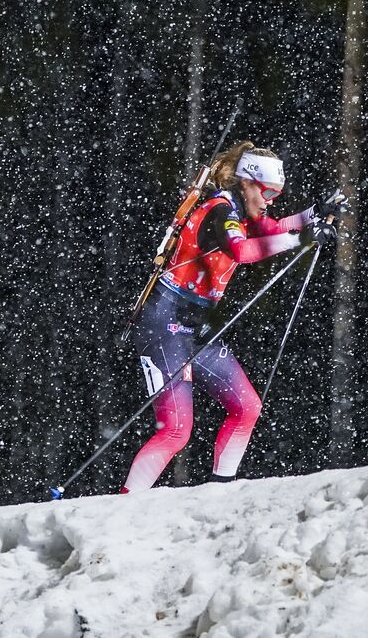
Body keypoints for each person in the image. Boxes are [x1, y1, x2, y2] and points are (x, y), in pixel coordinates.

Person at [121, 141, 345, 492]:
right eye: (268, 191)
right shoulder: (219, 211)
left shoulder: (238, 212)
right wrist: (302, 239)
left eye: (277, 192)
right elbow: (240, 250)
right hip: (163, 323)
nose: (271, 199)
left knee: (246, 407)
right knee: (177, 430)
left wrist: (312, 215)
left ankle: (219, 494)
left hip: (193, 327)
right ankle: (123, 509)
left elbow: (269, 227)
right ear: (247, 182)